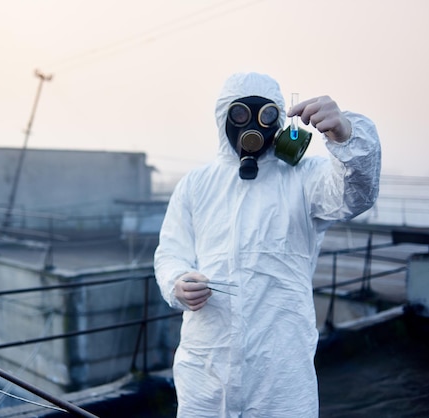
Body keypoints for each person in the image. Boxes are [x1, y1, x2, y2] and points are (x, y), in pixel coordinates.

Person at [154, 72, 381, 417]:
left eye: (266, 115)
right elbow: (170, 251)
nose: (252, 126)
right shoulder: (197, 184)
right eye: (240, 114)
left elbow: (356, 197)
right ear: (223, 118)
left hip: (282, 374)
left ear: (279, 119)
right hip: (206, 367)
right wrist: (177, 283)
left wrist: (346, 135)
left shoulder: (305, 177)